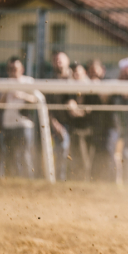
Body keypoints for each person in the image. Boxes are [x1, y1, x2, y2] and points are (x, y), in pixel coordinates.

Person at [0, 57, 37, 178]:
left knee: (25, 154)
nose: (13, 71)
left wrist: (22, 95)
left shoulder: (28, 81)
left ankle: (28, 180)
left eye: (15, 69)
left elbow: (36, 99)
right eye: (10, 69)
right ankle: (11, 179)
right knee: (8, 154)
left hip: (24, 124)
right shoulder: (5, 82)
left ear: (22, 69)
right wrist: (7, 91)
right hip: (8, 124)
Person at [47, 51, 74, 181]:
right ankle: (60, 180)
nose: (58, 62)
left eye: (61, 59)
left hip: (78, 125)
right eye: (55, 60)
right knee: (60, 152)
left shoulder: (76, 78)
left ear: (68, 61)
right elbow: (47, 106)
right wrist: (54, 123)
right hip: (58, 124)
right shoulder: (50, 81)